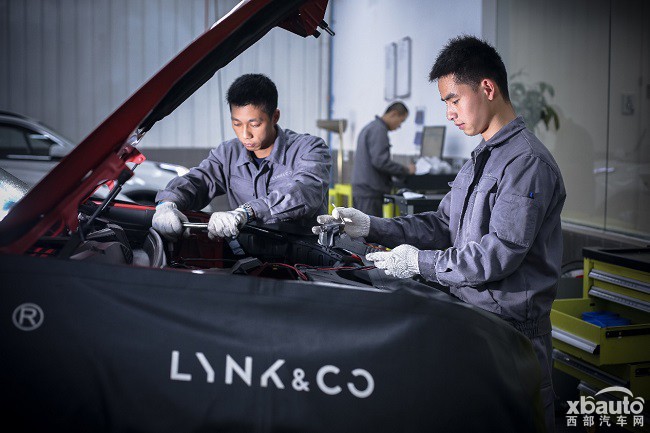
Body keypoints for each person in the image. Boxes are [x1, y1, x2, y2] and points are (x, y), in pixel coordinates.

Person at [315, 36, 565, 433]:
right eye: (445, 103)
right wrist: (371, 225)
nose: (449, 113)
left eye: (453, 100)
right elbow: (441, 225)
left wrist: (418, 262)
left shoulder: (526, 163)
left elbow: (497, 254)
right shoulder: (480, 159)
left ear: (487, 88)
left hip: (511, 335)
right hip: (470, 322)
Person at [153, 73, 331, 241]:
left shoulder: (309, 148)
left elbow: (305, 191)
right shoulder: (228, 154)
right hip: (245, 255)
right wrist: (167, 204)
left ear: (275, 116)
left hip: (303, 256)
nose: (245, 134)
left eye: (255, 124)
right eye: (237, 124)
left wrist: (247, 212)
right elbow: (197, 180)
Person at [351, 102, 415, 217]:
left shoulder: (371, 127)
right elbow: (380, 161)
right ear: (393, 114)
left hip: (364, 191)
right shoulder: (379, 130)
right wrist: (406, 170)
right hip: (369, 193)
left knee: (361, 226)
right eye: (401, 121)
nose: (399, 126)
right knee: (369, 227)